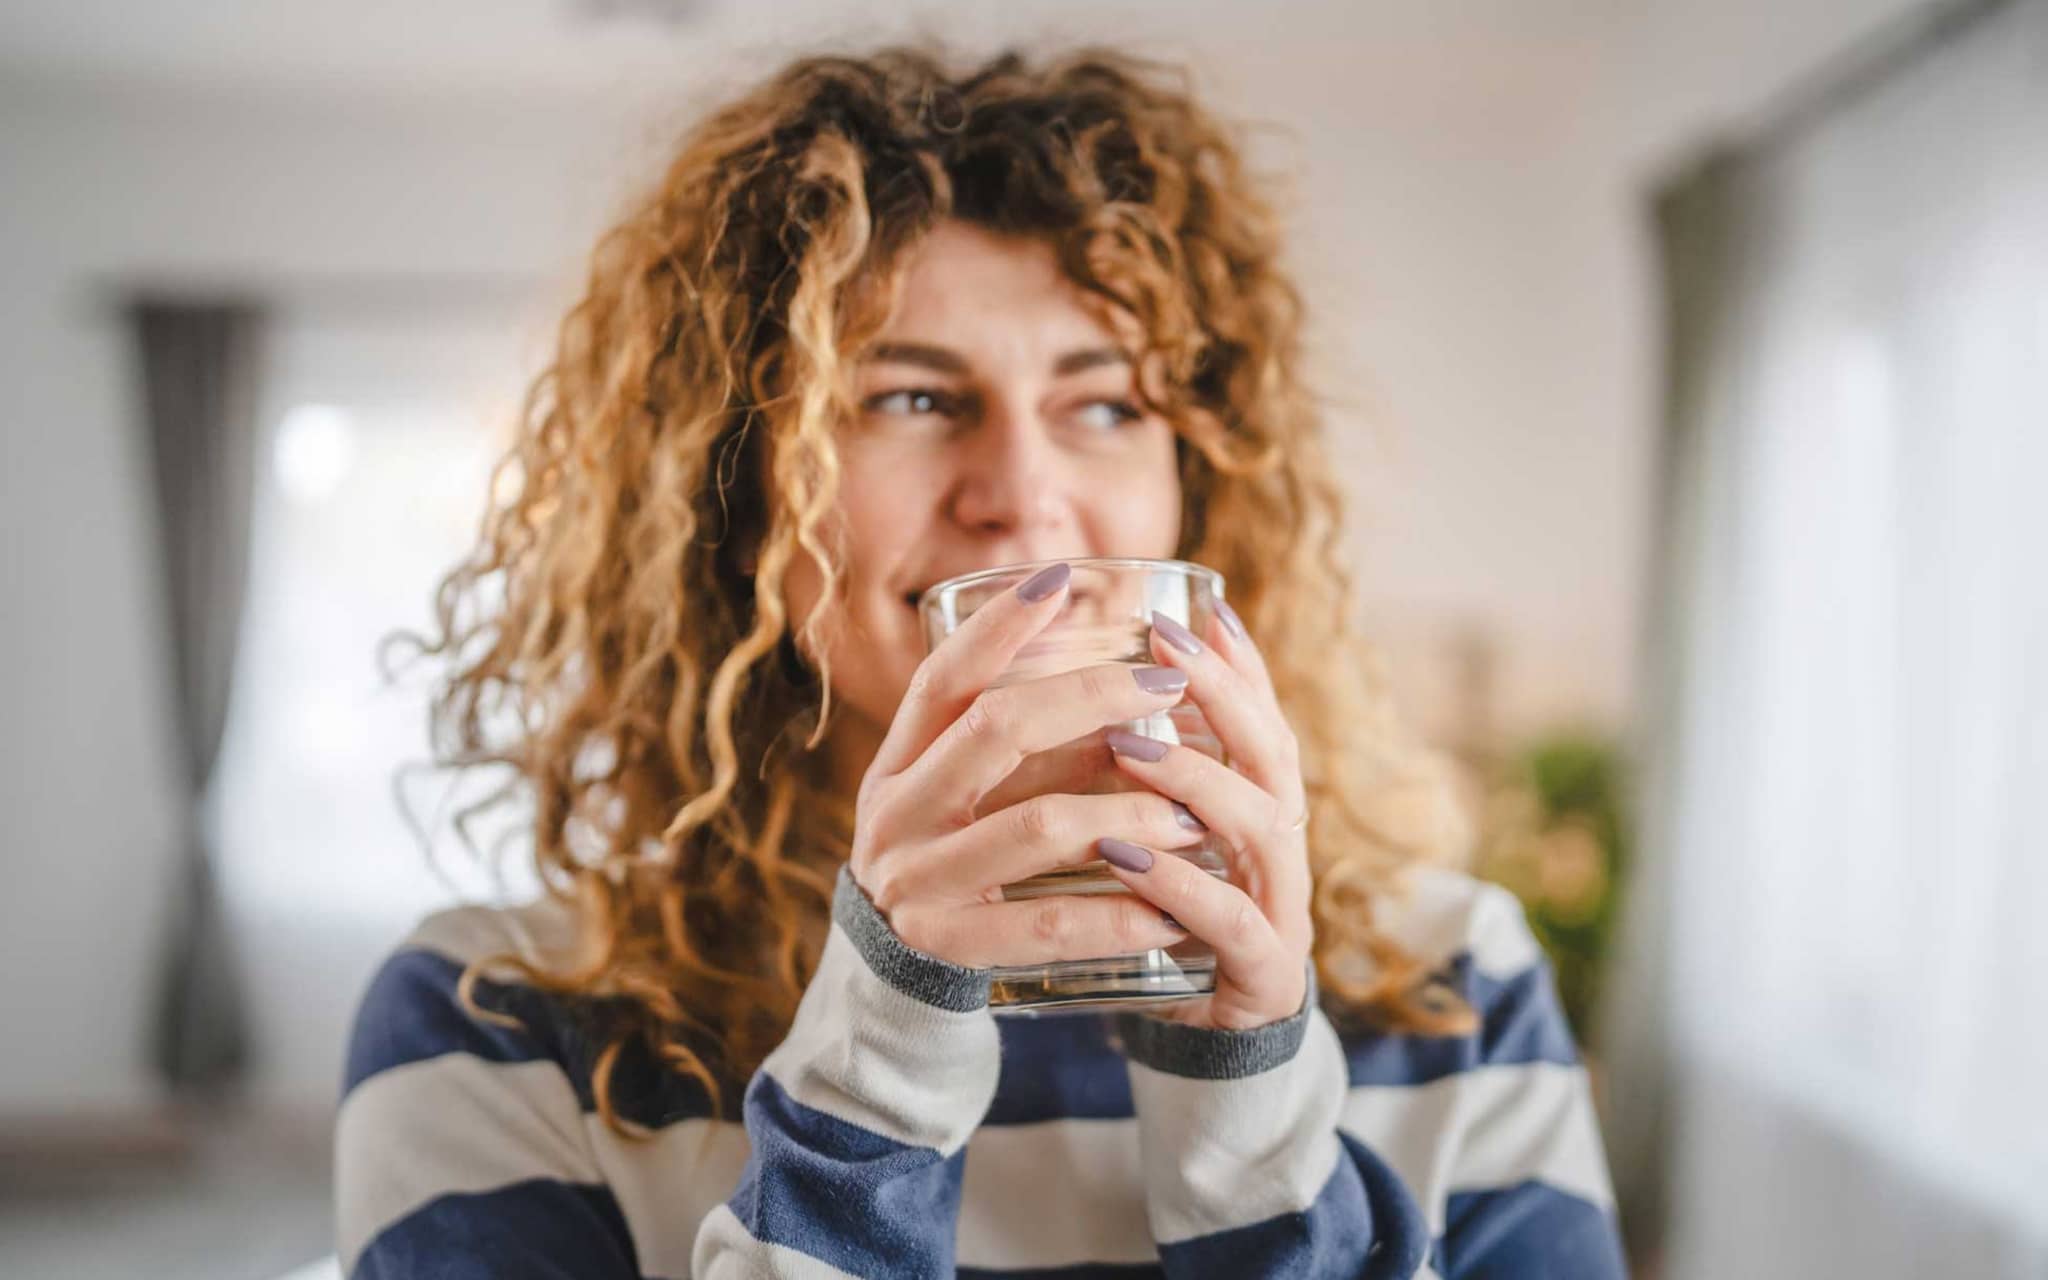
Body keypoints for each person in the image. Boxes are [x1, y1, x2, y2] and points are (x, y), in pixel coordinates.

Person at [336, 44, 1626, 1279]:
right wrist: (880, 1066)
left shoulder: (1460, 985)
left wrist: (1251, 1120)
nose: (1023, 496)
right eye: (909, 395)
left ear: (1198, 493)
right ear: (737, 504)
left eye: (1108, 403)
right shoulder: (493, 1026)